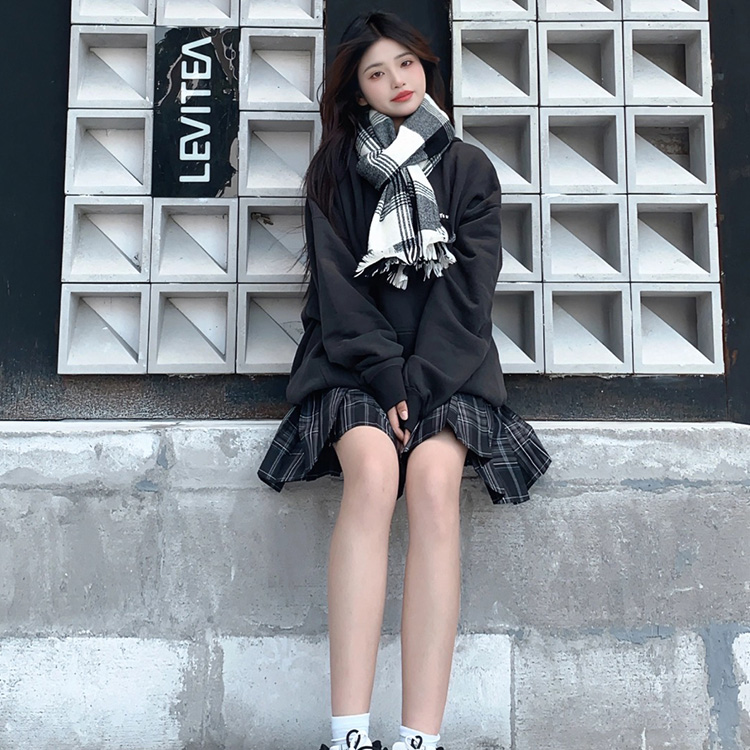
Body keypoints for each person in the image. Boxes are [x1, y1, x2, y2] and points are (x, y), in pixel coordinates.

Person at [258, 11, 550, 750]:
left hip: (449, 369)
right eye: (376, 73)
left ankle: (422, 737)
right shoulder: (333, 172)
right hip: (354, 364)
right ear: (356, 92)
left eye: (406, 65)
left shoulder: (469, 169)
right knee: (373, 472)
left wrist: (417, 389)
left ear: (427, 68)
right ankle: (348, 733)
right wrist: (388, 381)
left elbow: (469, 298)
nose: (396, 82)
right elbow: (339, 296)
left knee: (435, 485)